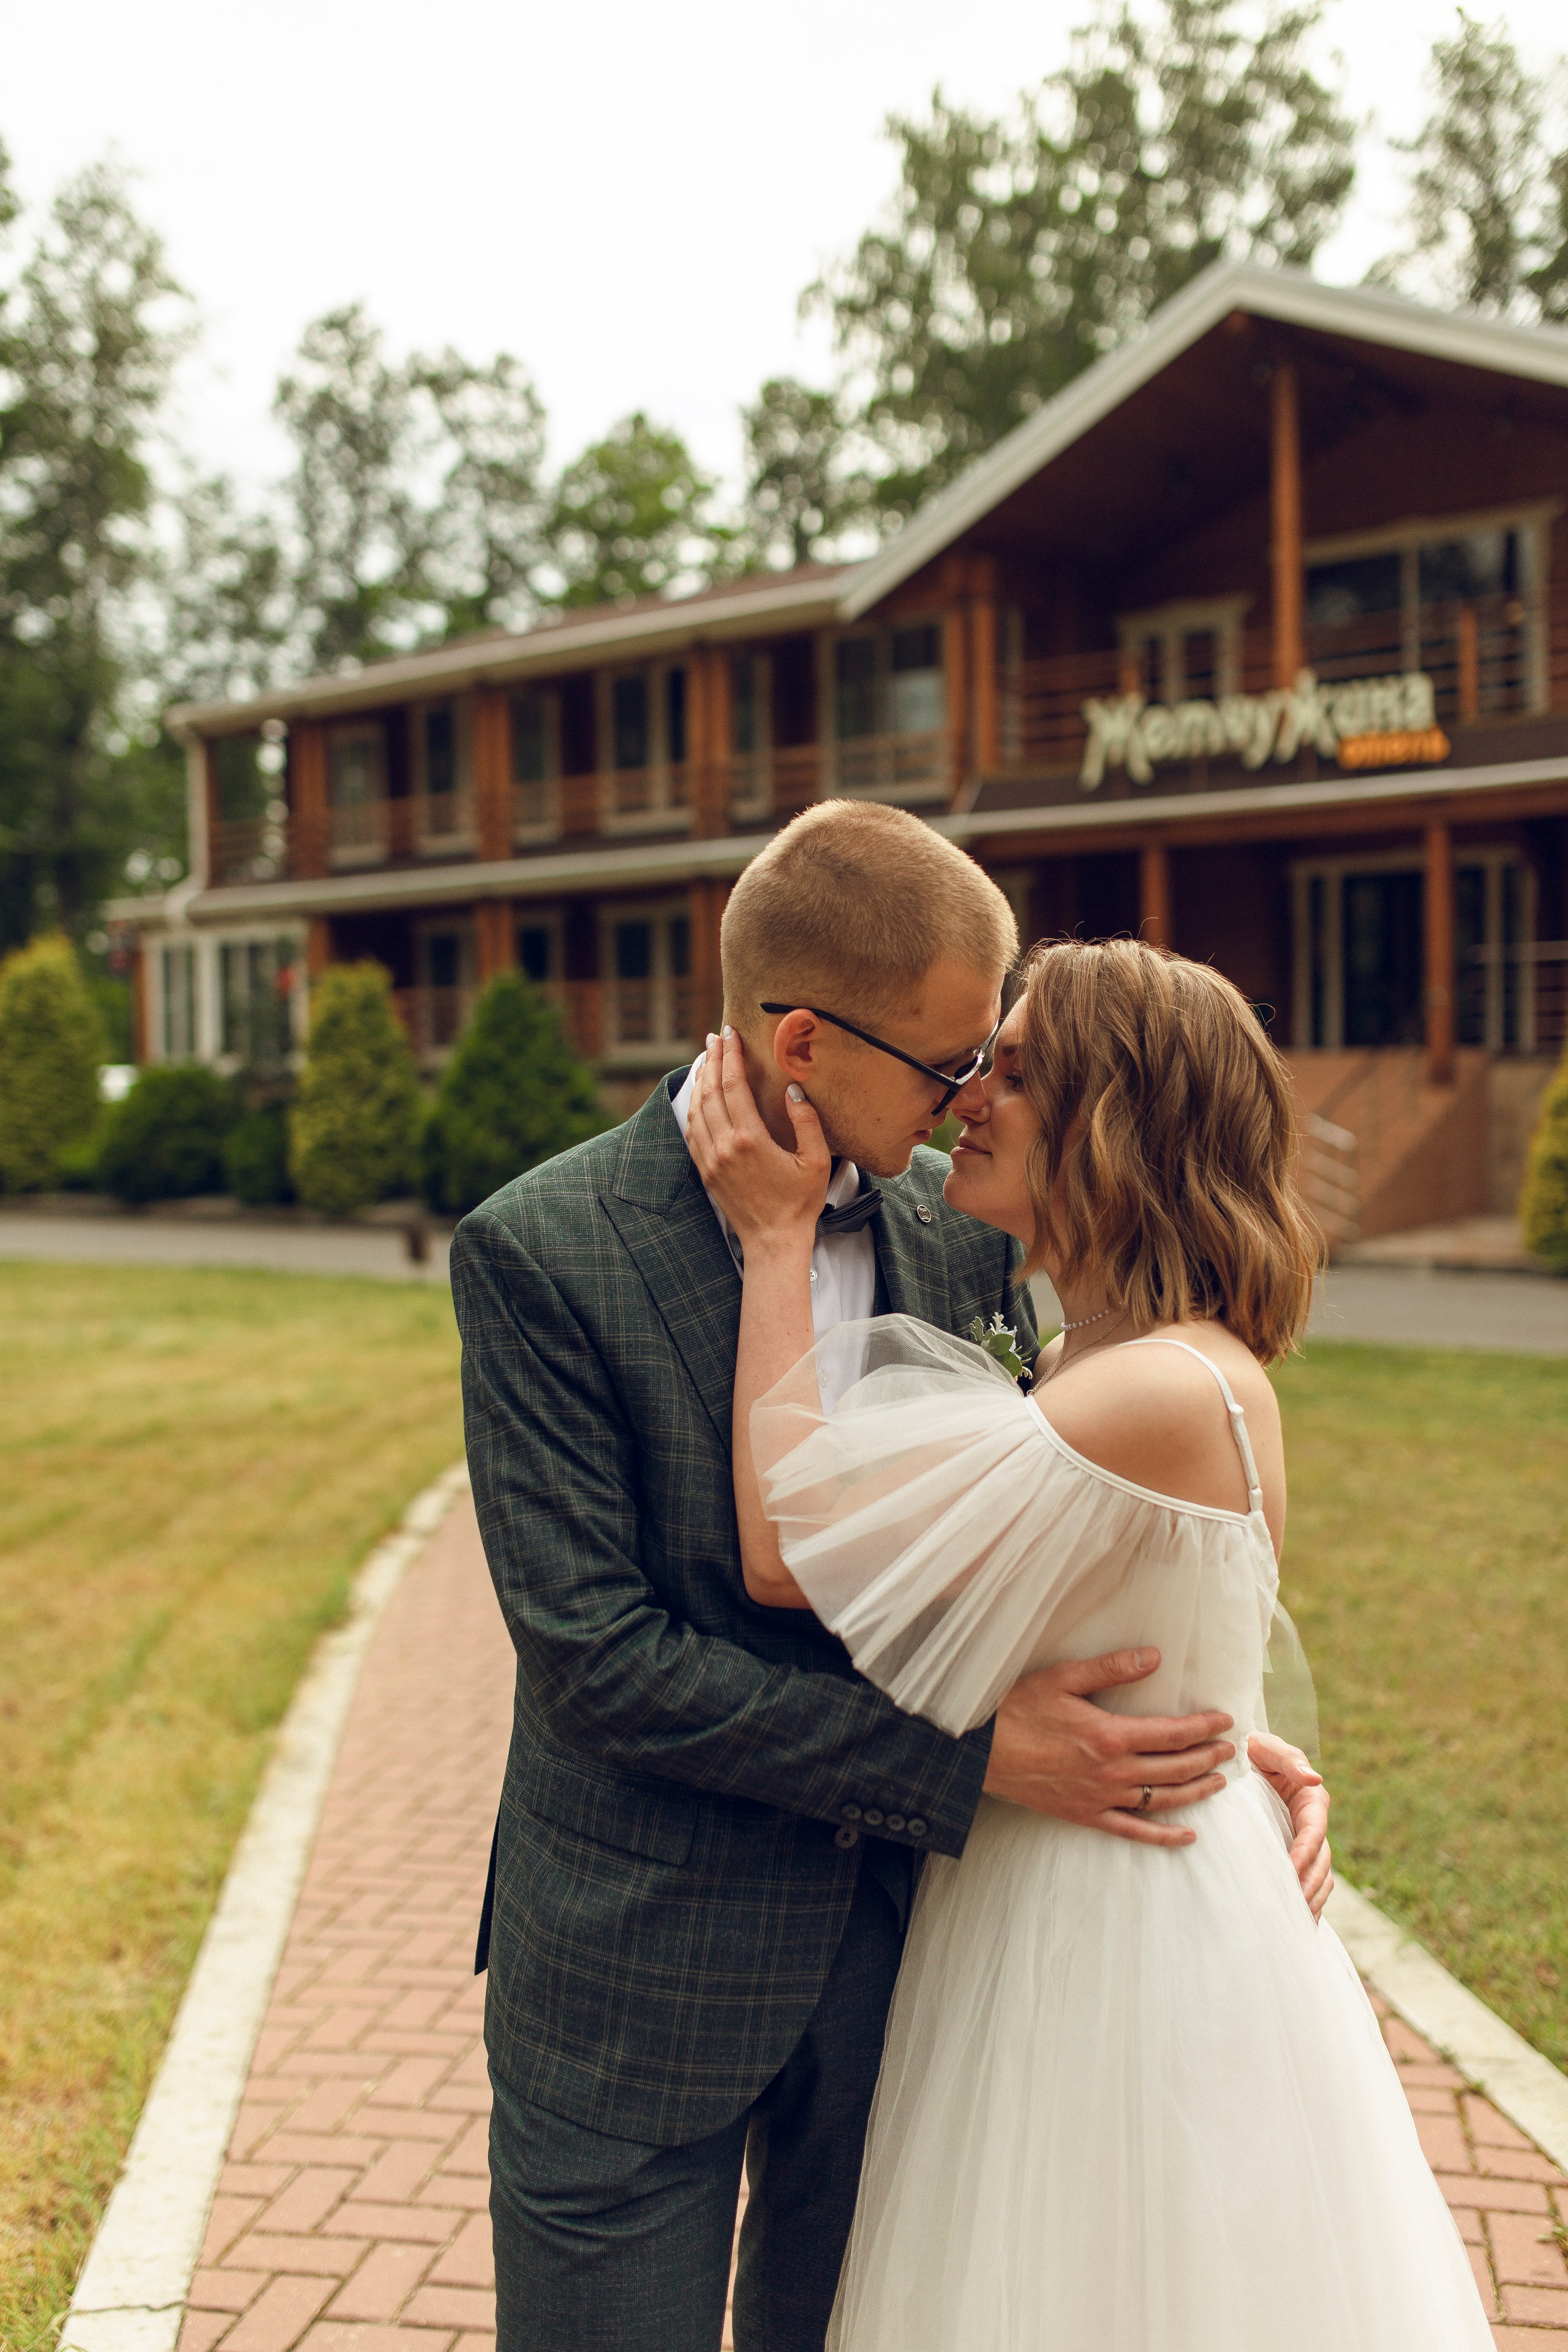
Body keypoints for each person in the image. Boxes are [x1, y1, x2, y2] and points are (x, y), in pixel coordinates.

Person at [451, 804, 1330, 2352]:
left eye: (993, 1061)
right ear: (801, 1041)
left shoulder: (971, 1231)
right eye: (947, 1062)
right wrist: (969, 1762)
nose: (969, 1097)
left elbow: (1039, 1553)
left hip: (916, 1977)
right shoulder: (538, 1251)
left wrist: (1221, 1741)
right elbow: (603, 1668)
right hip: (638, 1976)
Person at [686, 933, 1490, 2352]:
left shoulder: (1160, 1389)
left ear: (1117, 1122)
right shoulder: (1078, 1360)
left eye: (1013, 1072)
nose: (965, 1099)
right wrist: (1251, 1742)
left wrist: (772, 1244)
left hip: (1119, 1929)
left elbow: (788, 1546)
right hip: (1063, 1873)